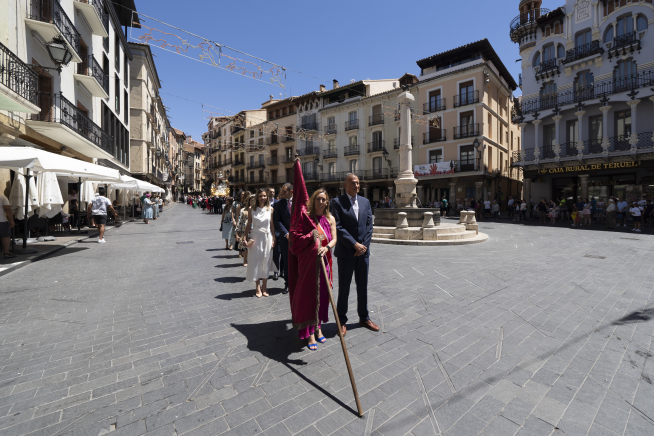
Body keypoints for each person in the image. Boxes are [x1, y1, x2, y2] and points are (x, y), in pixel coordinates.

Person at [331, 174, 378, 336]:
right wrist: (354, 244)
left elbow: (369, 225)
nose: (356, 186)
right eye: (353, 183)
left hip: (363, 254)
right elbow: (337, 226)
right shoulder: (337, 203)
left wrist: (363, 246)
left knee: (362, 286)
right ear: (345, 185)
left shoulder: (365, 202)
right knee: (344, 287)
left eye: (358, 183)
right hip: (346, 252)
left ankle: (364, 317)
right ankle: (341, 320)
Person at [294, 188, 337, 351]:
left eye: (323, 199)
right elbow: (297, 238)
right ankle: (310, 332)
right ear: (313, 200)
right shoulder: (307, 219)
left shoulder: (330, 218)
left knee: (322, 295)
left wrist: (327, 248)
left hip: (325, 261)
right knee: (309, 296)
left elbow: (334, 239)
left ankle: (318, 327)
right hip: (309, 263)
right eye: (318, 199)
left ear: (327, 202)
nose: (321, 202)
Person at [244, 188, 277, 297]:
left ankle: (265, 286)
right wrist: (244, 237)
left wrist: (274, 237)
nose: (262, 198)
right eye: (260, 196)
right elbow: (249, 224)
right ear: (257, 197)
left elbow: (272, 224)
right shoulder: (251, 209)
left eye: (264, 196)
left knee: (266, 261)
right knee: (256, 262)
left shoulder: (270, 209)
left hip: (267, 237)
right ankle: (257, 286)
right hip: (255, 238)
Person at [274, 183, 292, 294]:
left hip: (299, 238)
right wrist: (286, 234)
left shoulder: (300, 202)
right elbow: (277, 221)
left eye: (284, 191)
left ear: (291, 191)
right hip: (285, 238)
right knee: (287, 261)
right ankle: (288, 284)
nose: (282, 193)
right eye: (281, 191)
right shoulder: (279, 204)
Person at [236, 194, 254, 266]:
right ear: (249, 201)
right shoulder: (243, 210)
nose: (253, 202)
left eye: (254, 200)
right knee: (245, 247)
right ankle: (245, 260)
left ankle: (251, 260)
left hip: (253, 231)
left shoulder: (258, 210)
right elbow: (239, 222)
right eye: (252, 200)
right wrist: (237, 233)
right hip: (245, 230)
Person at [1, 193, 16, 259]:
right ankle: (6, 253)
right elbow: (7, 208)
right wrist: (11, 220)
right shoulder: (2, 197)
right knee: (5, 236)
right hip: (1, 220)